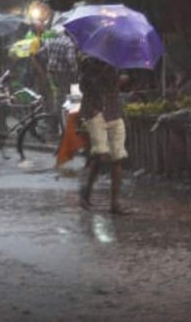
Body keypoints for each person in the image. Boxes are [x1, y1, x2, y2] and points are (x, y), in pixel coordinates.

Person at [78, 56, 128, 214]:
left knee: (117, 157)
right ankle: (86, 193)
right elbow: (83, 87)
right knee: (101, 154)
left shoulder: (117, 63)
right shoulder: (88, 63)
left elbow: (121, 83)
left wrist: (121, 79)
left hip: (114, 111)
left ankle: (115, 203)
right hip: (96, 112)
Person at [38, 30, 78, 130]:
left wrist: (49, 61)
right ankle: (59, 122)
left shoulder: (52, 41)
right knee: (65, 97)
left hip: (51, 72)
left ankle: (55, 122)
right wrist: (76, 72)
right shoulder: (69, 44)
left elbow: (40, 53)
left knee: (58, 96)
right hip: (63, 73)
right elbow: (71, 60)